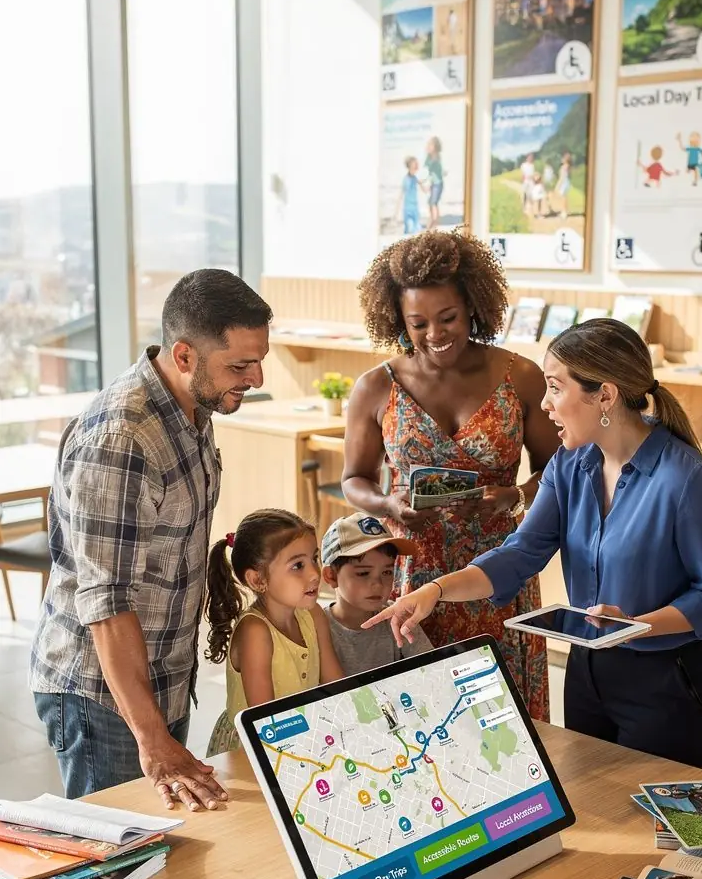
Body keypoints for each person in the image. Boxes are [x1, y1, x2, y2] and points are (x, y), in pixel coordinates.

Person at [364, 317, 702, 771]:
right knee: (590, 808)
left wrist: (636, 625)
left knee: (648, 816)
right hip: (587, 674)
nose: (544, 404)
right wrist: (434, 591)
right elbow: (519, 553)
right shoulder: (569, 466)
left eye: (556, 388)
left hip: (671, 685)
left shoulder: (690, 482)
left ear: (605, 395)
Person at [30, 270, 271, 811]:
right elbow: (107, 602)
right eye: (240, 366)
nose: (256, 378)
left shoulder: (195, 405)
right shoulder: (123, 438)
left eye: (259, 360)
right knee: (119, 854)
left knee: (168, 841)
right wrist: (153, 737)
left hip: (161, 676)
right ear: (184, 355)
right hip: (102, 695)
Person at [342, 229, 558, 722]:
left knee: (505, 719)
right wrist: (388, 505)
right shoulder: (375, 387)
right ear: (397, 319)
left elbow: (557, 470)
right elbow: (354, 479)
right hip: (414, 570)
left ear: (473, 307)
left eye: (448, 318)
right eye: (418, 323)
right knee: (423, 715)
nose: (435, 335)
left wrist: (514, 495)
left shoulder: (521, 377)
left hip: (499, 569)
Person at [205, 509, 343, 754]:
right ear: (258, 580)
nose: (314, 573)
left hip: (300, 736)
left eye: (314, 558)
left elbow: (338, 686)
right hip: (256, 746)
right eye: (298, 565)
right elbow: (265, 721)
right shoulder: (255, 632)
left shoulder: (313, 615)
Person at [320, 512, 433, 674]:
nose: (378, 584)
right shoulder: (316, 627)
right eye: (363, 573)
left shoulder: (398, 617)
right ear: (331, 576)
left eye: (386, 572)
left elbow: (432, 670)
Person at [424, 136, 444, 229]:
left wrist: (427, 182)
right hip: (433, 183)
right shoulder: (429, 157)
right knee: (431, 203)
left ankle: (434, 222)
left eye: (430, 145)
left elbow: (435, 172)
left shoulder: (436, 158)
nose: (428, 146)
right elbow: (426, 170)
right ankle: (433, 219)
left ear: (435, 147)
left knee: (433, 203)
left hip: (437, 184)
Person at [399, 156, 423, 235]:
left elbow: (423, 186)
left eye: (416, 164)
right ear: (410, 166)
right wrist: (396, 211)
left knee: (417, 228)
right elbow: (401, 193)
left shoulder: (415, 178)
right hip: (408, 208)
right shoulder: (406, 179)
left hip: (415, 207)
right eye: (415, 164)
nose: (416, 166)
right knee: (409, 229)